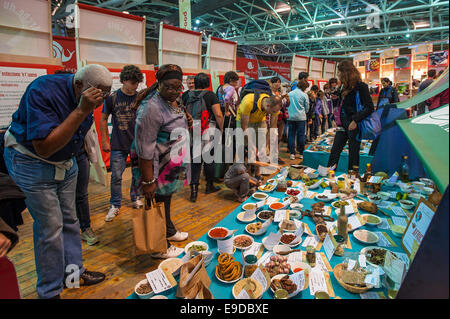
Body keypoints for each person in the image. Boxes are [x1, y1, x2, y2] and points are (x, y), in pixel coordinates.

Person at [3, 64, 111, 299]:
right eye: (97, 92)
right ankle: (50, 292)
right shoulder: (42, 90)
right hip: (31, 162)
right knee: (50, 227)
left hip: (65, 163)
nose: (101, 99)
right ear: (79, 84)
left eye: (107, 93)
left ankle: (73, 275)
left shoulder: (86, 97)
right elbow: (44, 148)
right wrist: (81, 110)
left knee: (70, 220)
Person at [134, 64, 193, 259]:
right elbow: (144, 148)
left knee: (166, 199)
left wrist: (187, 120)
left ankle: (168, 230)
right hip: (156, 167)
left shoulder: (175, 101)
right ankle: (160, 246)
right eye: (169, 87)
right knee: (156, 201)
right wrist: (148, 181)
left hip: (172, 163)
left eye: (178, 87)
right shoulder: (151, 107)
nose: (174, 91)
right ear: (158, 84)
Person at [101, 65, 144, 222]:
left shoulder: (140, 97)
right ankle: (115, 204)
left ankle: (136, 197)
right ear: (124, 80)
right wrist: (105, 140)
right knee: (116, 176)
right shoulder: (112, 98)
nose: (136, 86)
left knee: (137, 174)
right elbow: (103, 119)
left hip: (137, 143)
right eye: (133, 82)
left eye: (138, 83)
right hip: (118, 144)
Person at [327, 60, 374, 171]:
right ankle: (329, 175)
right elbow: (342, 105)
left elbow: (370, 107)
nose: (338, 75)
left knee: (353, 154)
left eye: (340, 72)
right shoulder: (343, 87)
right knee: (335, 151)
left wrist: (355, 120)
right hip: (342, 124)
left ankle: (352, 179)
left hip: (353, 124)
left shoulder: (361, 87)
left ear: (346, 73)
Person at [185, 72, 223, 202]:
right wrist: (222, 129)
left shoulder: (185, 95)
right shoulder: (210, 95)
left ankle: (194, 191)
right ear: (207, 84)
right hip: (208, 130)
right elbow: (218, 114)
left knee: (195, 161)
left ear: (195, 83)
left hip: (192, 131)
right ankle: (209, 186)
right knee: (209, 159)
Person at [236, 92, 282, 181]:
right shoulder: (248, 102)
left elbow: (273, 127)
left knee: (261, 149)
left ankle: (257, 173)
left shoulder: (276, 108)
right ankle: (247, 177)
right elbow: (244, 127)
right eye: (272, 112)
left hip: (260, 120)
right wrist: (252, 145)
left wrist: (264, 145)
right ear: (268, 105)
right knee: (246, 149)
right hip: (245, 122)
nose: (274, 113)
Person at [287, 80, 309, 160]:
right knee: (301, 135)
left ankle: (292, 153)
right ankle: (301, 153)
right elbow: (307, 108)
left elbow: (287, 105)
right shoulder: (304, 95)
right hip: (301, 118)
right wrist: (304, 111)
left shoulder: (289, 94)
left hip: (291, 117)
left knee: (291, 135)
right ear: (304, 87)